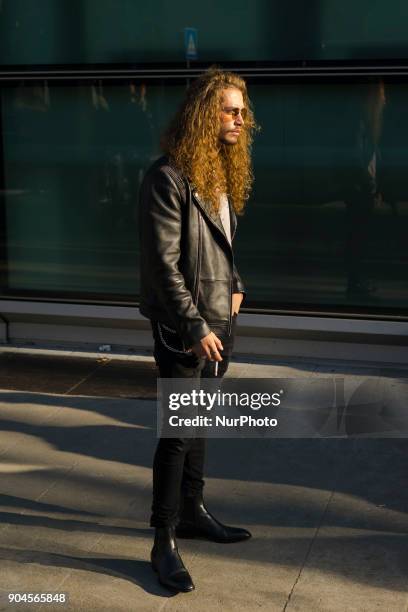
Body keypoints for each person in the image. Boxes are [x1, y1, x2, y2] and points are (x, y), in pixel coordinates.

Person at [138, 67, 257, 593]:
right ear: (206, 114)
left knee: (201, 424)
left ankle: (193, 511)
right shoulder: (167, 178)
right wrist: (192, 324)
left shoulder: (218, 173)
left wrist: (236, 287)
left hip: (218, 320)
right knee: (178, 432)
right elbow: (163, 265)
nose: (240, 119)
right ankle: (163, 539)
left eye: (243, 111)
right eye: (231, 110)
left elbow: (221, 247)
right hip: (185, 328)